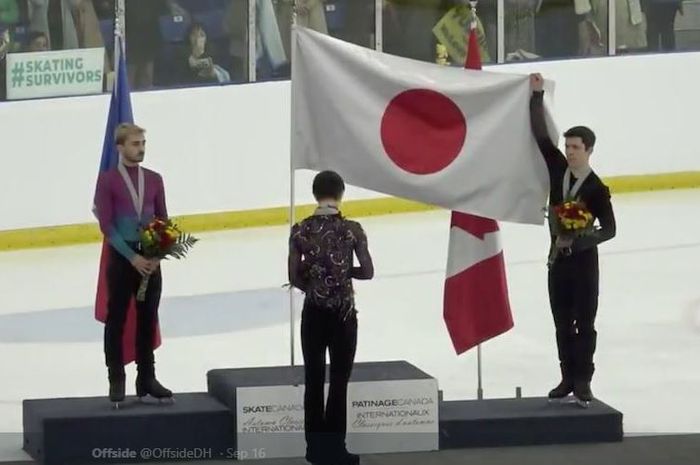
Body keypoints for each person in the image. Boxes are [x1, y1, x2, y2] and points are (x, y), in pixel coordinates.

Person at [529, 73, 616, 405]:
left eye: (576, 147)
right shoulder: (557, 170)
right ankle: (567, 376)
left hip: (584, 264)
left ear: (590, 150)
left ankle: (583, 380)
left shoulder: (596, 189)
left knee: (585, 324)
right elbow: (539, 135)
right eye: (567, 146)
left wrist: (583, 240)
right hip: (557, 262)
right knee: (562, 322)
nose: (570, 152)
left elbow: (609, 228)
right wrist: (536, 96)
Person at [288, 171, 374, 465]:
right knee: (339, 381)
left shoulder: (300, 230)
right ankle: (335, 449)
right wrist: (343, 273)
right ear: (341, 194)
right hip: (343, 315)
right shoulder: (352, 230)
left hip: (313, 314)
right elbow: (368, 271)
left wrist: (316, 283)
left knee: (313, 380)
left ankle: (314, 449)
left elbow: (293, 276)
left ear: (315, 195)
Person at [94, 123, 172, 407]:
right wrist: (132, 258)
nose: (140, 148)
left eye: (142, 143)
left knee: (148, 317)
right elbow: (107, 225)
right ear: (120, 147)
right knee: (117, 318)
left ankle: (146, 378)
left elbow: (163, 219)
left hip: (150, 258)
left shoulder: (154, 179)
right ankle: (116, 377)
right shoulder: (108, 181)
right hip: (123, 257)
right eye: (135, 144)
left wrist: (156, 255)